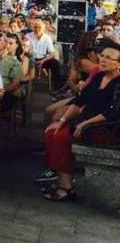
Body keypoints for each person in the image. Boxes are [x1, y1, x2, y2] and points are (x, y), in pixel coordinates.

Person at [41, 40, 120, 201]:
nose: (102, 60)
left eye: (109, 58)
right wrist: (62, 120)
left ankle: (65, 186)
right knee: (53, 132)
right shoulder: (98, 76)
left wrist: (86, 123)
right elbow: (80, 100)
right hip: (87, 122)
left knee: (61, 137)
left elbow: (112, 111)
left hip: (106, 127)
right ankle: (62, 178)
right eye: (102, 56)